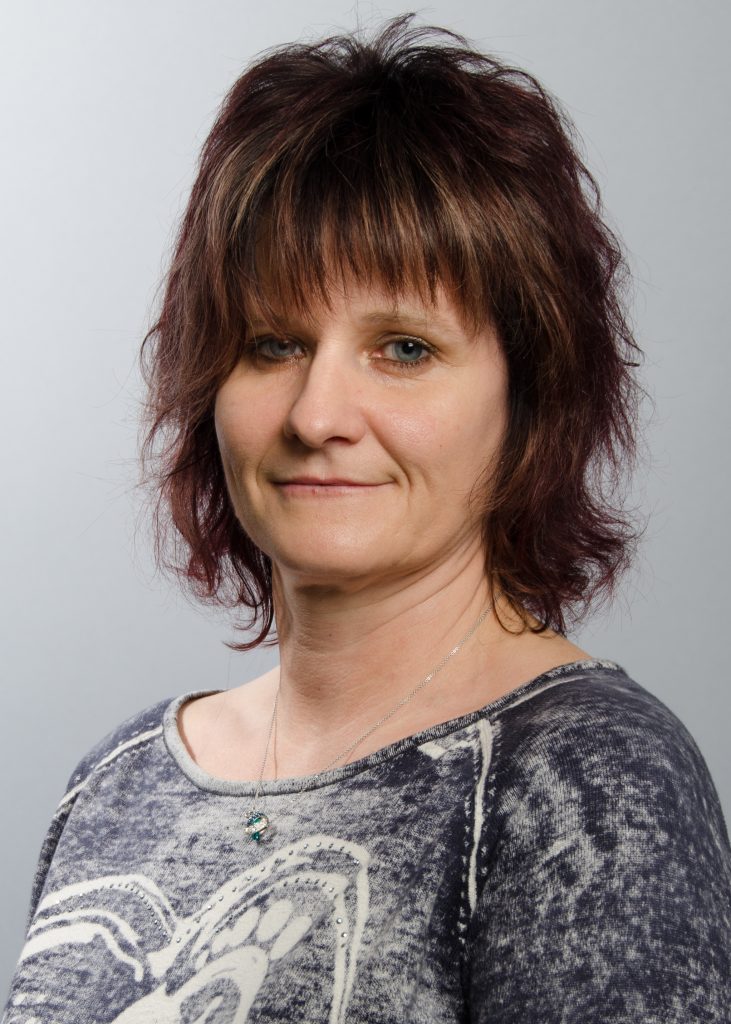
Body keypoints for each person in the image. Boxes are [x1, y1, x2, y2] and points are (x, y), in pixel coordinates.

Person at [3, 13, 730, 1023]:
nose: (316, 417)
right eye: (271, 344)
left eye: (403, 349)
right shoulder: (117, 784)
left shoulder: (585, 781)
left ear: (529, 394)